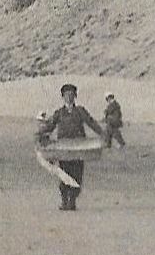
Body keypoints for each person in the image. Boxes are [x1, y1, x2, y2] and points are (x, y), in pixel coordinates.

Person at [36, 83, 105, 211]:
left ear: (75, 96)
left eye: (71, 95)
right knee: (64, 175)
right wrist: (40, 135)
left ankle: (72, 201)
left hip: (79, 148)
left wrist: (102, 134)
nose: (69, 97)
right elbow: (50, 126)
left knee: (77, 175)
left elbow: (91, 122)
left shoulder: (80, 111)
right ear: (63, 97)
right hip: (64, 149)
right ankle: (64, 201)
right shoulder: (59, 113)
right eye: (67, 95)